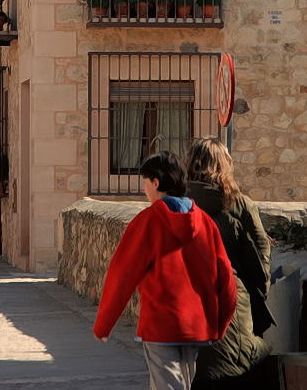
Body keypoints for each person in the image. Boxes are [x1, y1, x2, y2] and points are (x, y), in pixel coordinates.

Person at [93, 151, 237, 390]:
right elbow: (226, 278)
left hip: (161, 324)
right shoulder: (205, 223)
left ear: (156, 182)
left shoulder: (147, 222)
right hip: (197, 326)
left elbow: (122, 275)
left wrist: (103, 325)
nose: (144, 189)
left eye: (145, 182)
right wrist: (219, 325)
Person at [185, 138, 274, 390]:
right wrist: (257, 295)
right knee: (238, 365)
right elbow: (259, 254)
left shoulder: (172, 205)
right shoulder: (239, 204)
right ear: (224, 165)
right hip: (232, 299)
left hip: (183, 304)